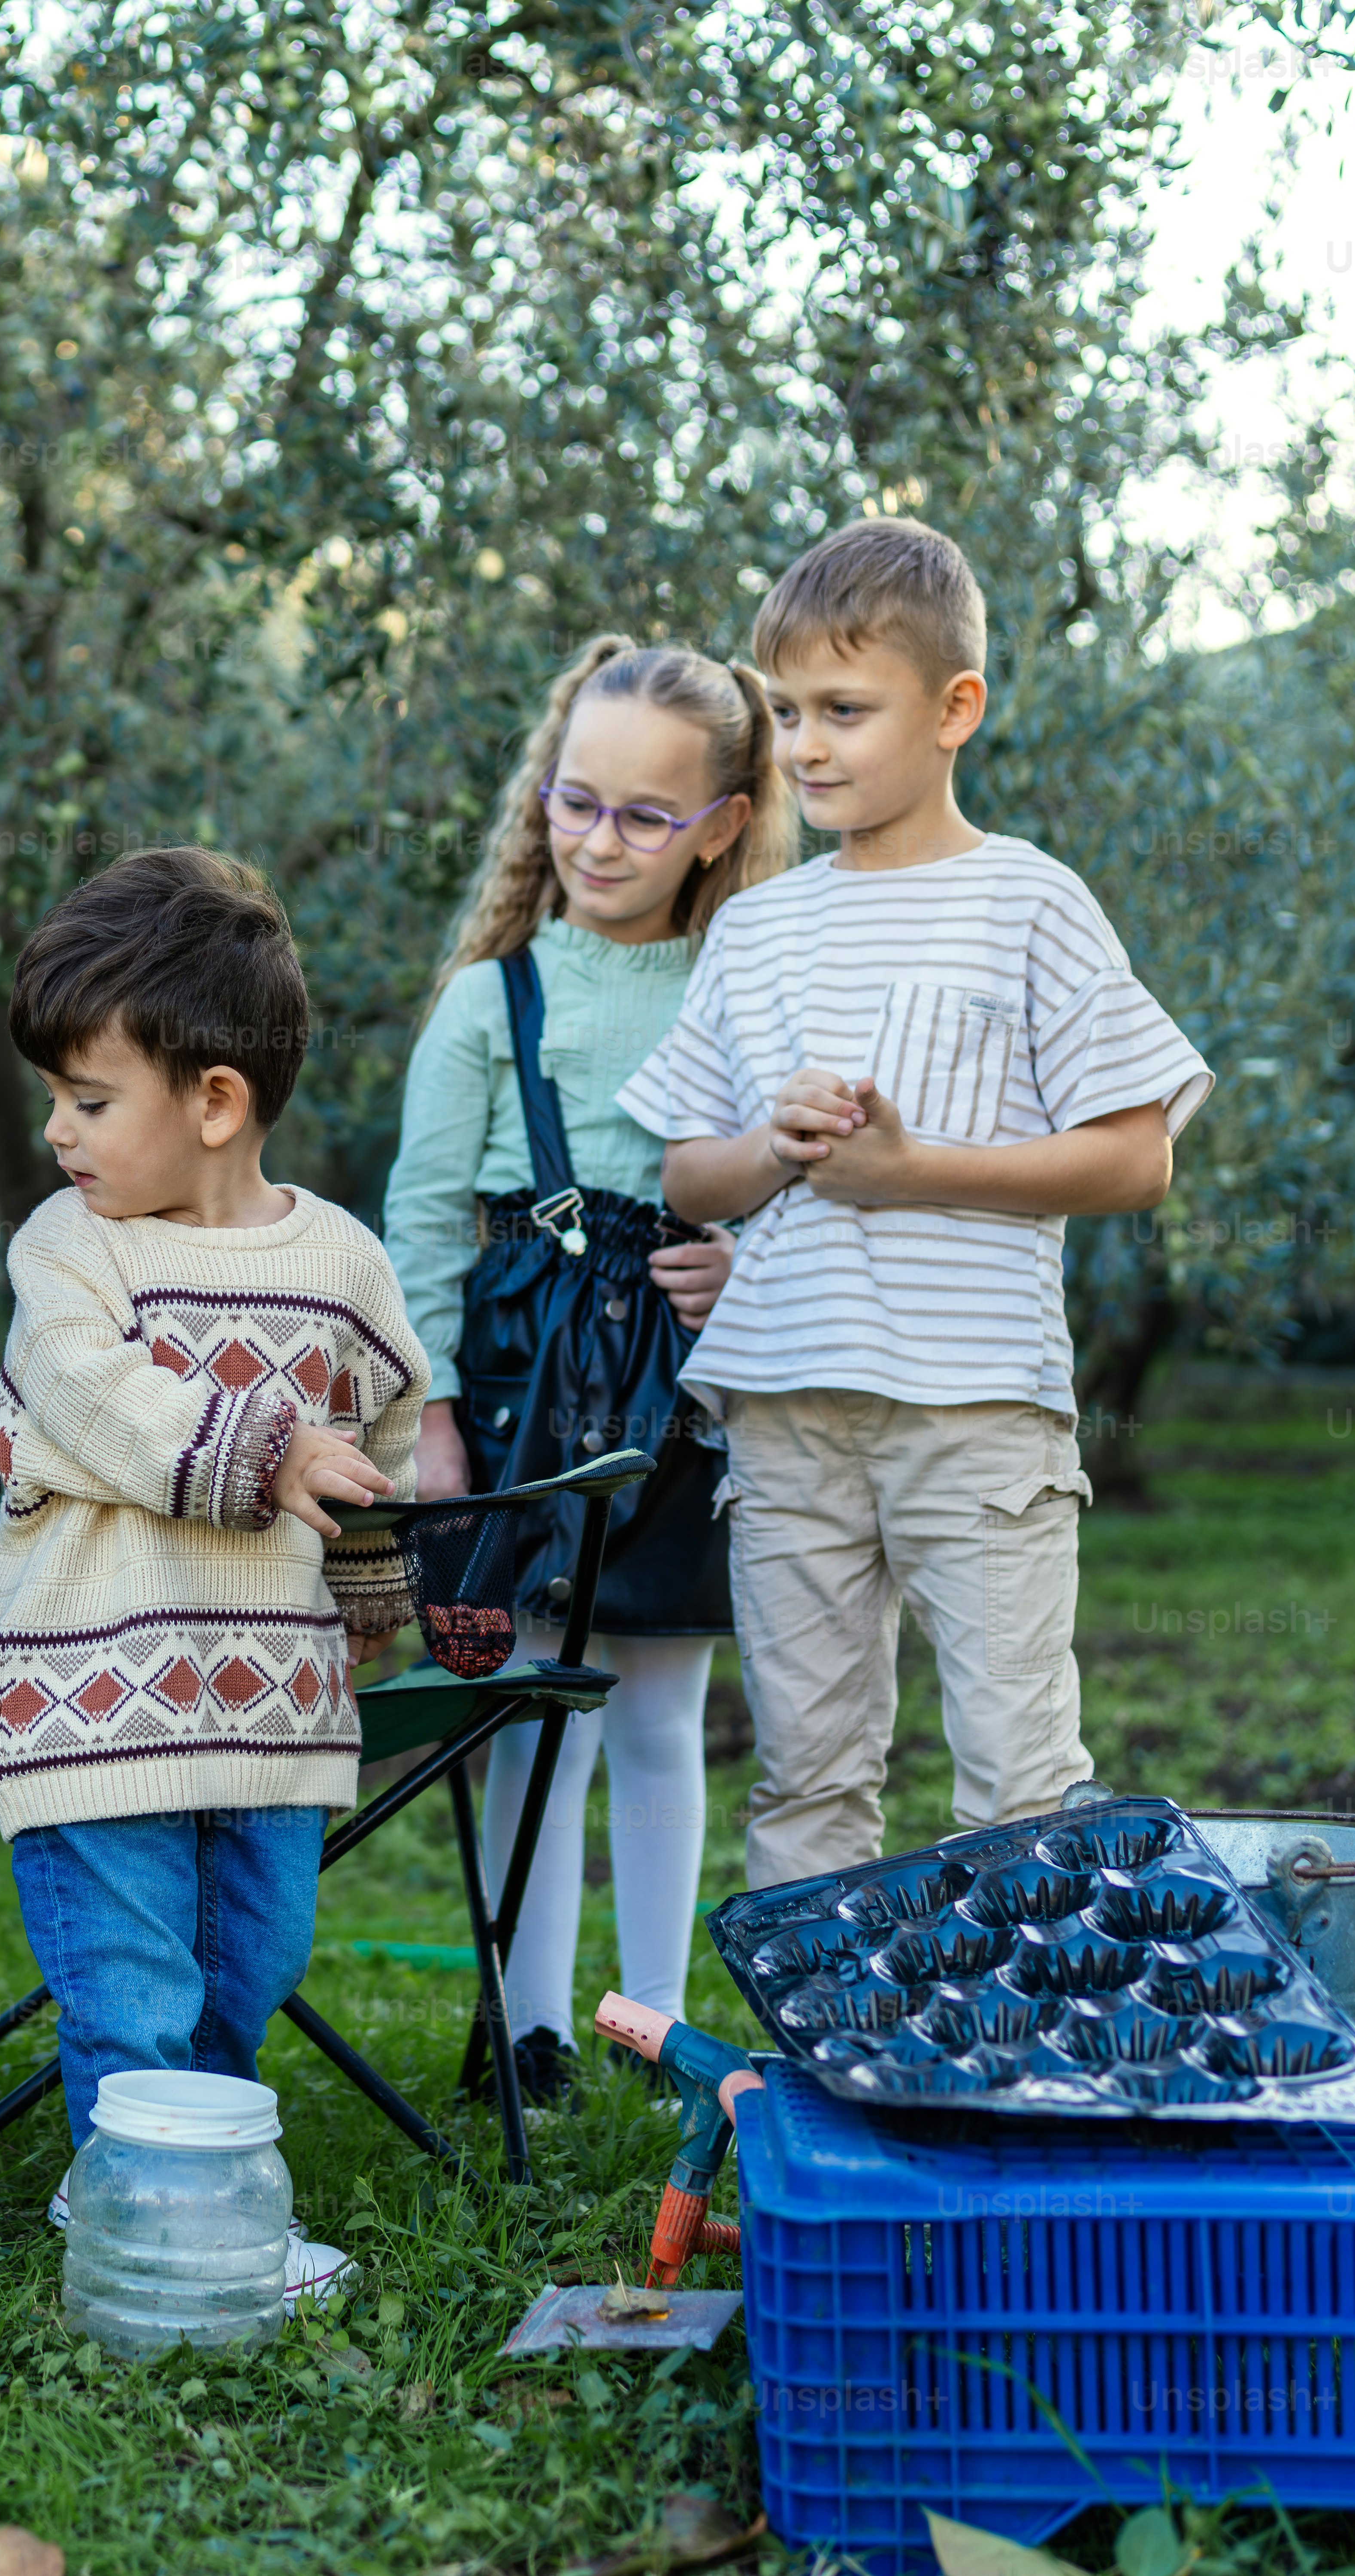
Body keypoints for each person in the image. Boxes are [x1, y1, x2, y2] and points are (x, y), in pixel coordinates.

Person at [622, 517, 1209, 1884]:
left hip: (976, 1411)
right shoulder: (757, 927)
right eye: (784, 713)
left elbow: (1136, 1158)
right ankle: (828, 2077)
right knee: (807, 1775)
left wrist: (911, 1172)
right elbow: (685, 1175)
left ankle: (1022, 2080)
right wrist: (775, 1148)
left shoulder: (1027, 902)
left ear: (955, 710)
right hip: (786, 1410)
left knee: (1018, 1775)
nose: (807, 746)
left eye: (843, 710)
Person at [0, 846, 425, 2305]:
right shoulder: (71, 1252)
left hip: (272, 1704)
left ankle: (165, 2181)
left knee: (253, 1962)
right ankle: (161, 2234)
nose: (56, 1132)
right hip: (91, 1689)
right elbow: (84, 1392)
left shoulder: (341, 1265)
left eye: (88, 1101)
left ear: (215, 1101)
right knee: (133, 1978)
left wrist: (377, 1599)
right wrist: (267, 1449)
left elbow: (385, 1437)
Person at [380, 636, 790, 2104]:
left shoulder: (752, 987)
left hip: (677, 1382)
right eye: (573, 804)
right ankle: (529, 2026)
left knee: (662, 1711)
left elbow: (803, 1190)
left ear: (724, 827)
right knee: (528, 1710)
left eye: (642, 817)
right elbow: (420, 1220)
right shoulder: (494, 1001)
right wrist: (427, 1417)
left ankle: (655, 2022)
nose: (597, 842)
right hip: (515, 1384)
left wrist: (749, 1274)